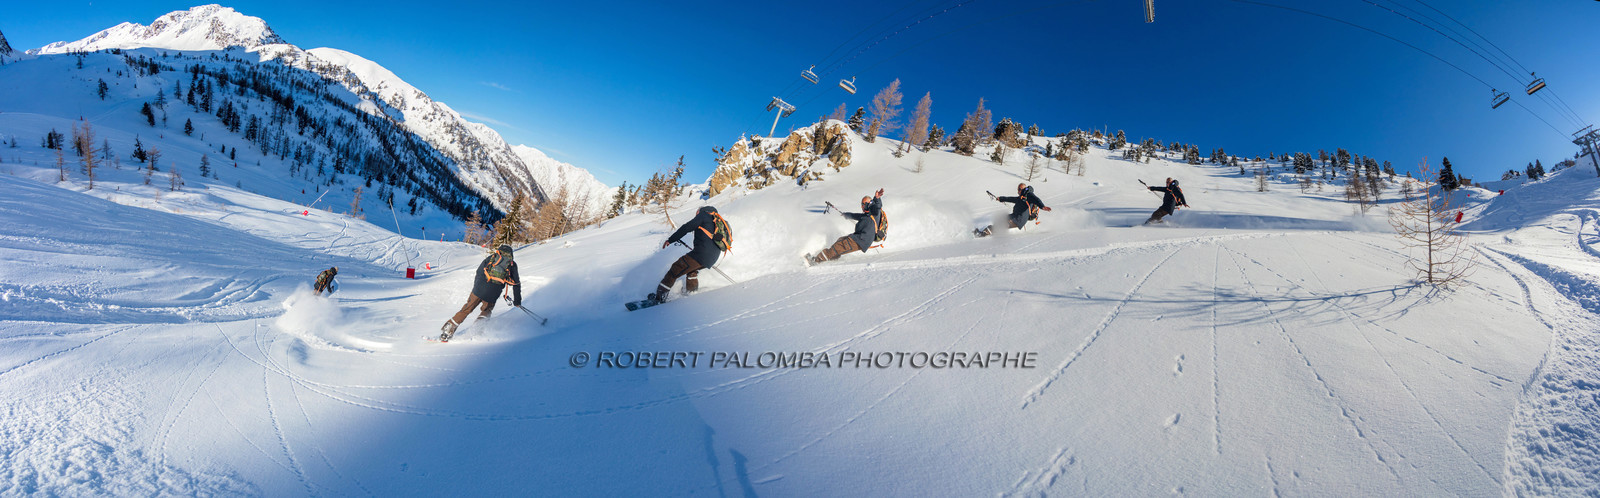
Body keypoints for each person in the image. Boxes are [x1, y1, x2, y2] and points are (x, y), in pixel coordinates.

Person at [648, 206, 731, 305]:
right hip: (713, 257)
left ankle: (659, 299)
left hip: (700, 255)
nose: (696, 216)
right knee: (691, 271)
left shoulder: (703, 215)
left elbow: (686, 227)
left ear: (699, 211)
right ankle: (692, 293)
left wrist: (670, 240)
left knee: (674, 270)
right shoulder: (717, 220)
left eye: (696, 214)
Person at [439, 244, 521, 341]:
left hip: (478, 289)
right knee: (487, 310)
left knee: (466, 309)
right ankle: (477, 330)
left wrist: (476, 287)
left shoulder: (491, 258)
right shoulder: (512, 265)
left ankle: (447, 331)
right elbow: (516, 284)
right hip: (493, 293)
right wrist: (517, 301)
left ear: (499, 251)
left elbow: (479, 272)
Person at [809, 189, 884, 265]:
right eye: (861, 204)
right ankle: (831, 258)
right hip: (859, 238)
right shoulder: (868, 214)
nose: (862, 206)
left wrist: (877, 198)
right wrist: (846, 215)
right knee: (840, 240)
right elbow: (856, 216)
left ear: (869, 204)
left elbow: (877, 207)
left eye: (863, 204)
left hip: (861, 240)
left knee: (838, 246)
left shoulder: (875, 213)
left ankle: (816, 260)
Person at [978, 183, 1052, 236]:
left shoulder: (1029, 195)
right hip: (1016, 217)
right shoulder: (1022, 197)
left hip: (1017, 219)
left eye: (1018, 189)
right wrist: (1001, 198)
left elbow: (1036, 199)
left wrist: (1042, 206)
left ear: (1021, 189)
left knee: (1001, 222)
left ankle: (984, 233)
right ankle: (987, 232)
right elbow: (1011, 199)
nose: (1017, 192)